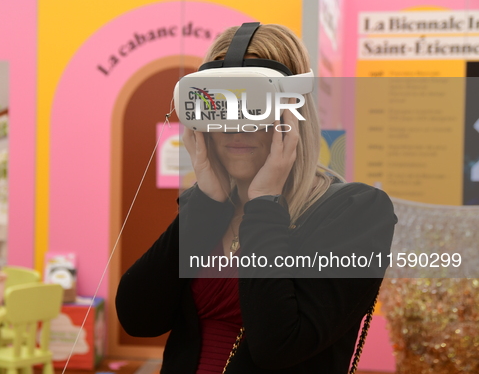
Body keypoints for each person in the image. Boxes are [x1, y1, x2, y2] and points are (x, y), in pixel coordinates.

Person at [115, 23, 397, 374]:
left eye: (255, 105)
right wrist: (206, 202)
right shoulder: (210, 206)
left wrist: (264, 202)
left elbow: (278, 346)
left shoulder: (356, 212)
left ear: (293, 114)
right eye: (219, 106)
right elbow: (138, 318)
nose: (236, 126)